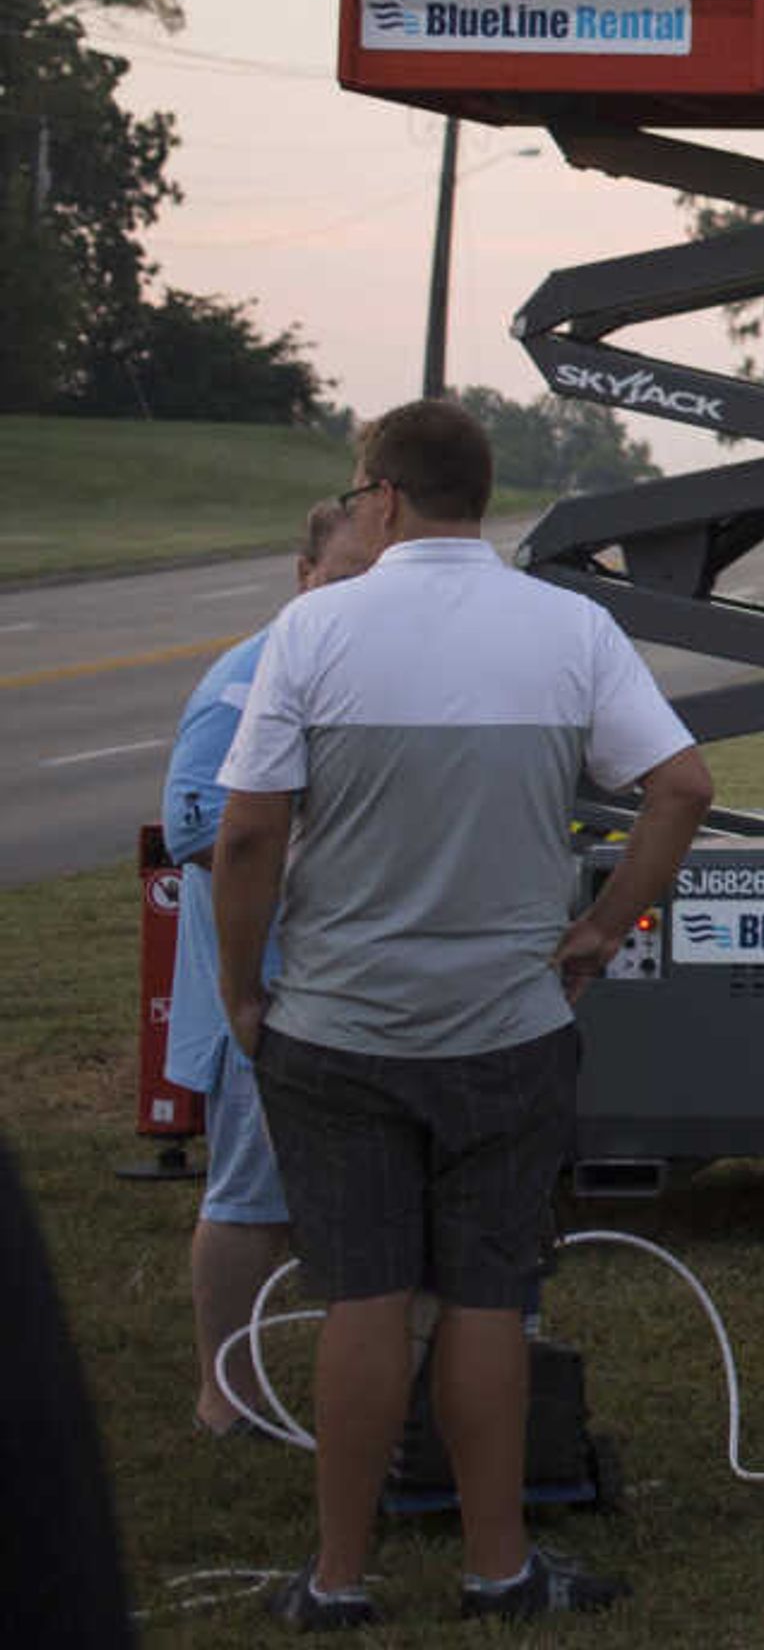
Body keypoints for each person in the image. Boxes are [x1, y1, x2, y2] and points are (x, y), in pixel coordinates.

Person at [212, 398, 716, 1631]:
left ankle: (337, 1577)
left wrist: (241, 988)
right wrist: (605, 927)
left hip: (338, 1027)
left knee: (362, 1299)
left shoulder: (314, 627)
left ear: (381, 497)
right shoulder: (569, 628)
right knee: (489, 1299)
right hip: (506, 1024)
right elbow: (682, 785)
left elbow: (247, 832)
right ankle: (500, 1568)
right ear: (479, 496)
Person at [164, 494, 376, 1440]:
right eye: (339, 582)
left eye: (371, 587)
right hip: (268, 993)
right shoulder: (245, 682)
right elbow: (199, 830)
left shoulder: (376, 675)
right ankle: (226, 1392)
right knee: (250, 1198)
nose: (349, 604)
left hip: (353, 991)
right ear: (302, 578)